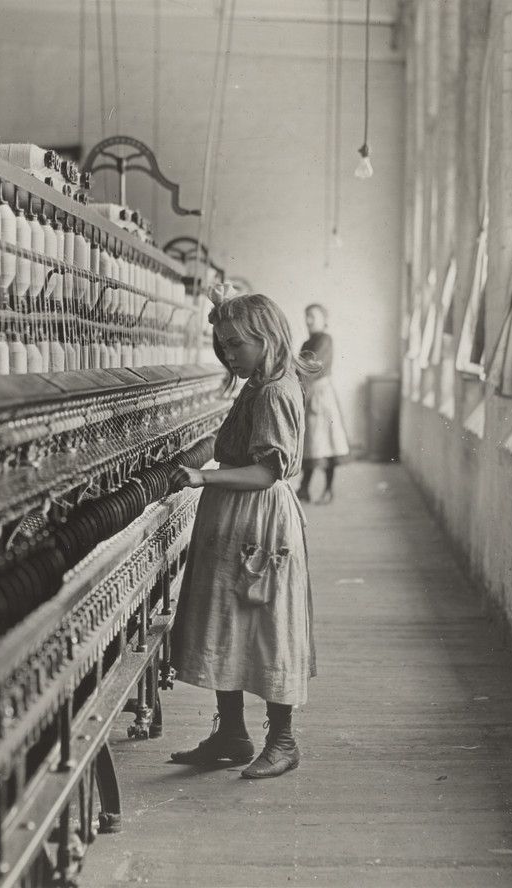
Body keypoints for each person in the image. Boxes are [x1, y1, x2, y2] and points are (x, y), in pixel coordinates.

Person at [167, 289, 317, 779]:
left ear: (267, 339)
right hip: (236, 518)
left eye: (236, 345)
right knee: (227, 621)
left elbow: (266, 472)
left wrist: (200, 477)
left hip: (259, 519)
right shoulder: (257, 385)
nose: (228, 355)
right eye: (222, 345)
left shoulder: (274, 391)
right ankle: (231, 733)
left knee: (268, 625)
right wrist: (192, 455)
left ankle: (284, 740)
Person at [296, 303, 350, 505]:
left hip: (321, 395)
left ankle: (328, 489)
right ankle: (304, 488)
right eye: (307, 316)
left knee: (327, 443)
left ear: (324, 320)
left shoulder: (325, 340)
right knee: (310, 442)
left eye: (313, 316)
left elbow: (312, 366)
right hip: (309, 393)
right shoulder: (306, 342)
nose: (309, 320)